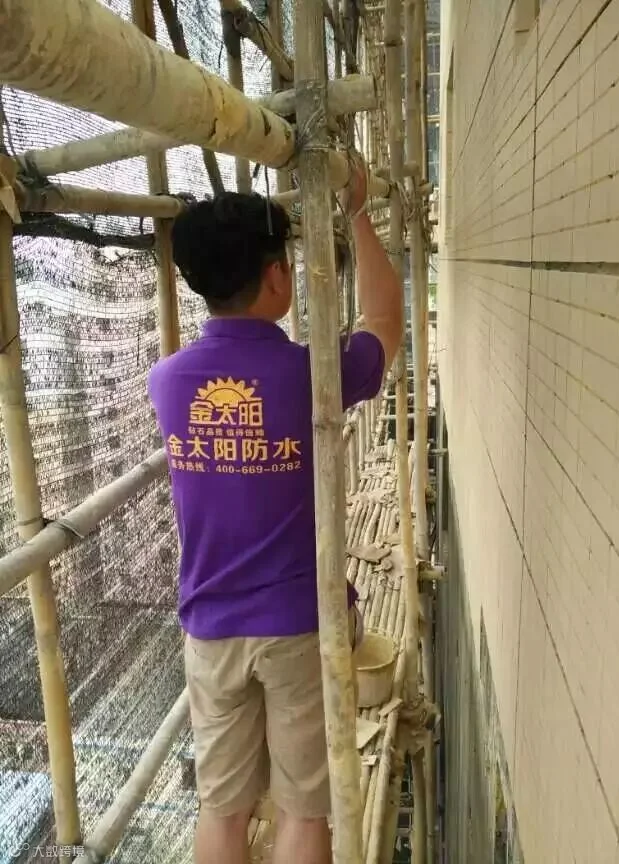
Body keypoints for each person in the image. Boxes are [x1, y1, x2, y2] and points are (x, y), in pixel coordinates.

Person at [148, 161, 402, 864]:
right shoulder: (311, 373)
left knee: (222, 809)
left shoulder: (166, 382)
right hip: (297, 624)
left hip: (210, 627)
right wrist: (357, 212)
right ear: (277, 278)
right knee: (303, 812)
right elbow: (385, 322)